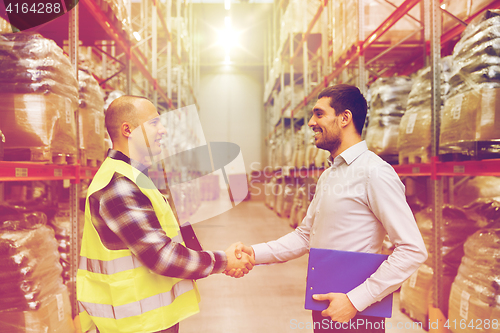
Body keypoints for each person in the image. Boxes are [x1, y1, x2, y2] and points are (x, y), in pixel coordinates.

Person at [226, 84, 428, 332]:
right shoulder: (329, 175)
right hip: (326, 304)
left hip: (355, 313)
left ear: (345, 118)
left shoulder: (374, 172)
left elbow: (412, 250)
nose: (311, 122)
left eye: (319, 114)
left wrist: (355, 300)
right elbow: (304, 235)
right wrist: (254, 253)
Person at [76, 96, 254, 333]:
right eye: (154, 123)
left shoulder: (134, 176)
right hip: (133, 323)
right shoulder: (118, 184)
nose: (163, 130)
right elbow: (162, 256)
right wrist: (223, 260)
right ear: (128, 130)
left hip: (146, 317)